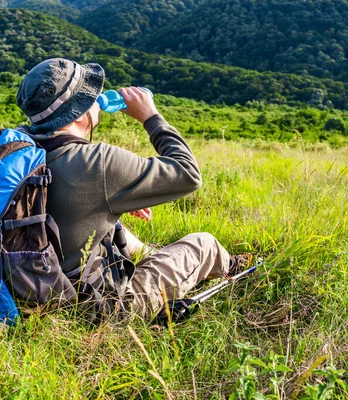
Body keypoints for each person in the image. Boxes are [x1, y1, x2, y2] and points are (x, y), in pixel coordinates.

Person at [15, 58, 248, 318]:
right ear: (80, 114)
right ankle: (236, 267)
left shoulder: (13, 152)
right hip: (92, 308)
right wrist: (151, 116)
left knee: (118, 227)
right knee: (204, 244)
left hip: (27, 286)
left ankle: (154, 254)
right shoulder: (98, 162)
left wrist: (117, 197)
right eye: (91, 97)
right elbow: (189, 174)